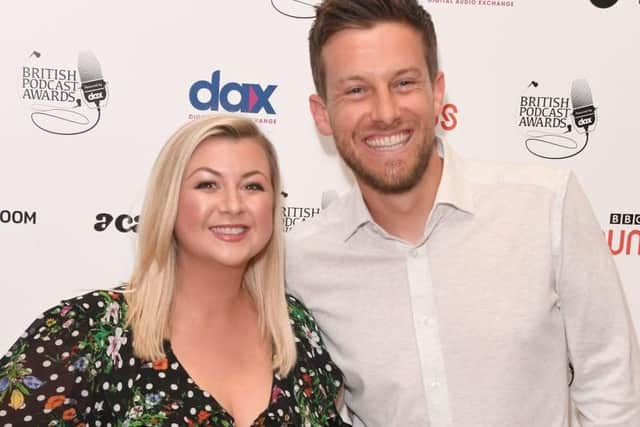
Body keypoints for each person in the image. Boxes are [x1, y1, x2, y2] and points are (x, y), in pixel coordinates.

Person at [285, 1, 640, 426]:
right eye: (356, 90)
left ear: (437, 94)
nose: (385, 112)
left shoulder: (546, 204)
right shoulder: (300, 261)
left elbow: (612, 388)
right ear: (322, 114)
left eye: (403, 83)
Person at [0, 115, 348, 426]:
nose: (233, 205)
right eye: (207, 184)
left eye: (252, 186)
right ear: (170, 201)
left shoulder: (296, 330)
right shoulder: (88, 333)